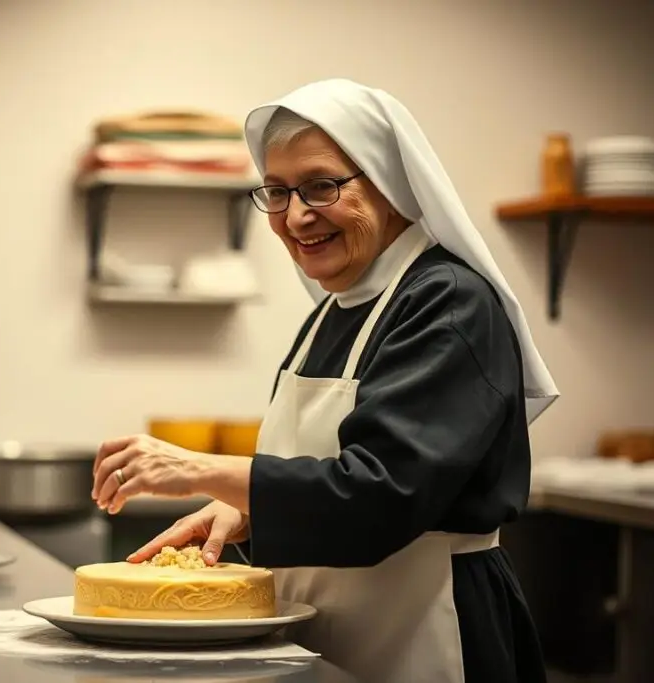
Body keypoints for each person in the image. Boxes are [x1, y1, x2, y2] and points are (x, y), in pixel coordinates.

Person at [90, 79, 559, 683]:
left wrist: (199, 470)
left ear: (389, 180)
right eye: (278, 191)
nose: (296, 216)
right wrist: (248, 510)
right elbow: (325, 467)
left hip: (432, 629)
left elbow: (383, 496)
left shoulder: (448, 302)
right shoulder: (333, 311)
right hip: (333, 630)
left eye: (321, 185)